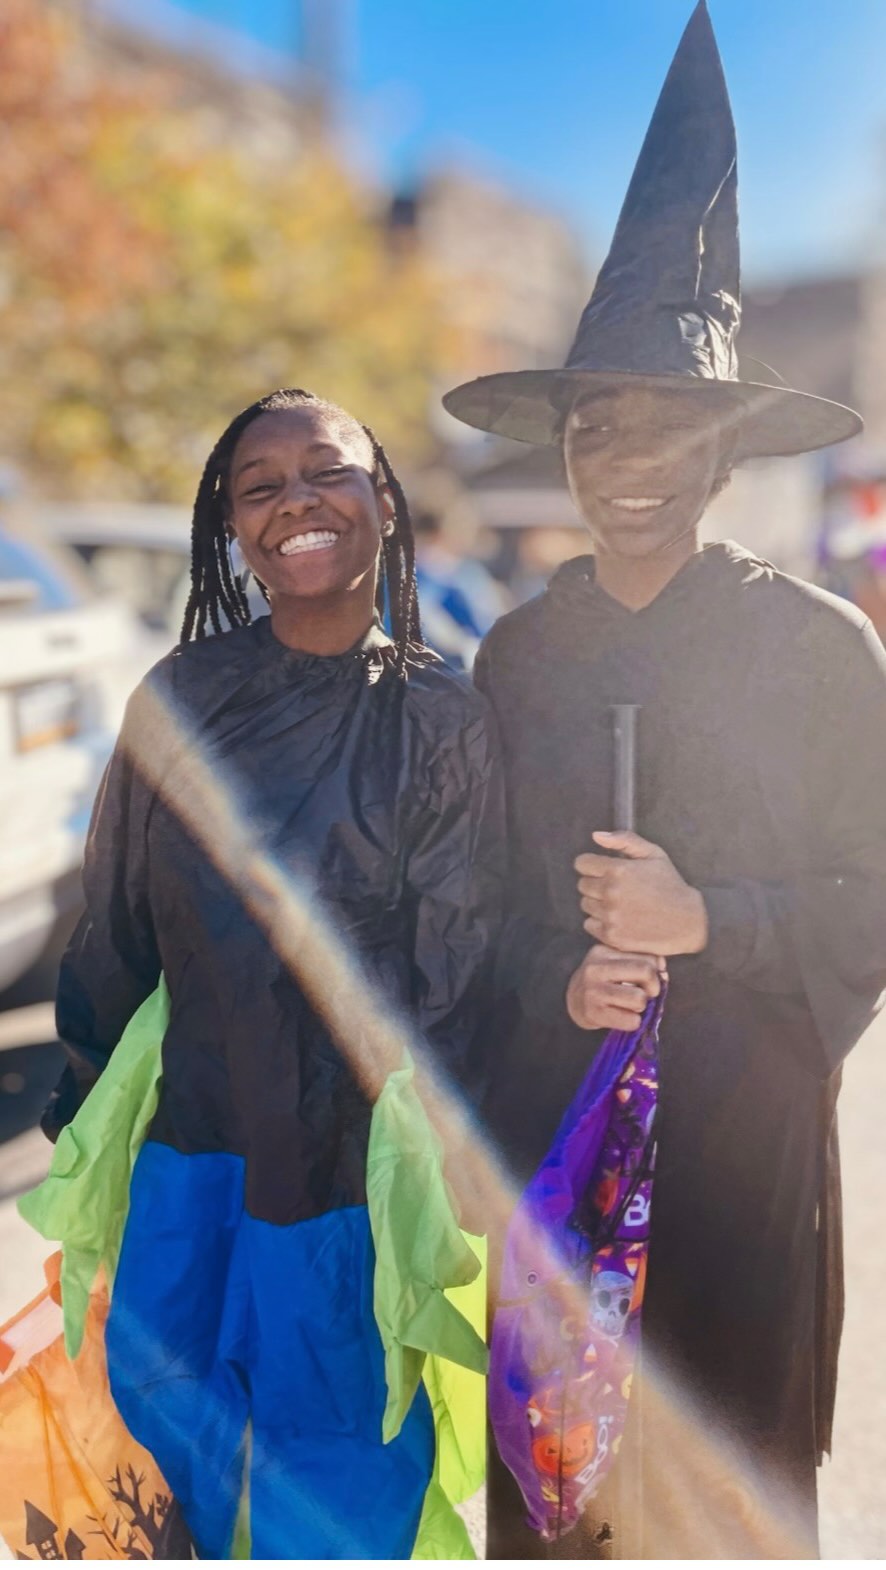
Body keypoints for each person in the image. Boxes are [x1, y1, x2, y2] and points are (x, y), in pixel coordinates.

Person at [444, 2, 886, 1559]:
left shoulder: (818, 646)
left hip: (741, 1166)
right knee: (558, 1499)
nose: (627, 459)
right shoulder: (515, 658)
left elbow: (871, 898)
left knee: (720, 1499)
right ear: (561, 447)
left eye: (667, 424)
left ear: (721, 450)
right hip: (554, 1147)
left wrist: (713, 918)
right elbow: (470, 911)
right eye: (595, 424)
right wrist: (556, 976)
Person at [41, 387, 502, 1559]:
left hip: (351, 1184)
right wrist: (83, 1119)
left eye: (327, 471)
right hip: (187, 1166)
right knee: (164, 1472)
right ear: (233, 529)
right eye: (261, 486)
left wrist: (444, 1175)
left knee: (338, 1495)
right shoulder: (181, 700)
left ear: (382, 498)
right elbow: (115, 931)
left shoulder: (440, 718)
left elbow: (454, 978)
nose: (296, 500)